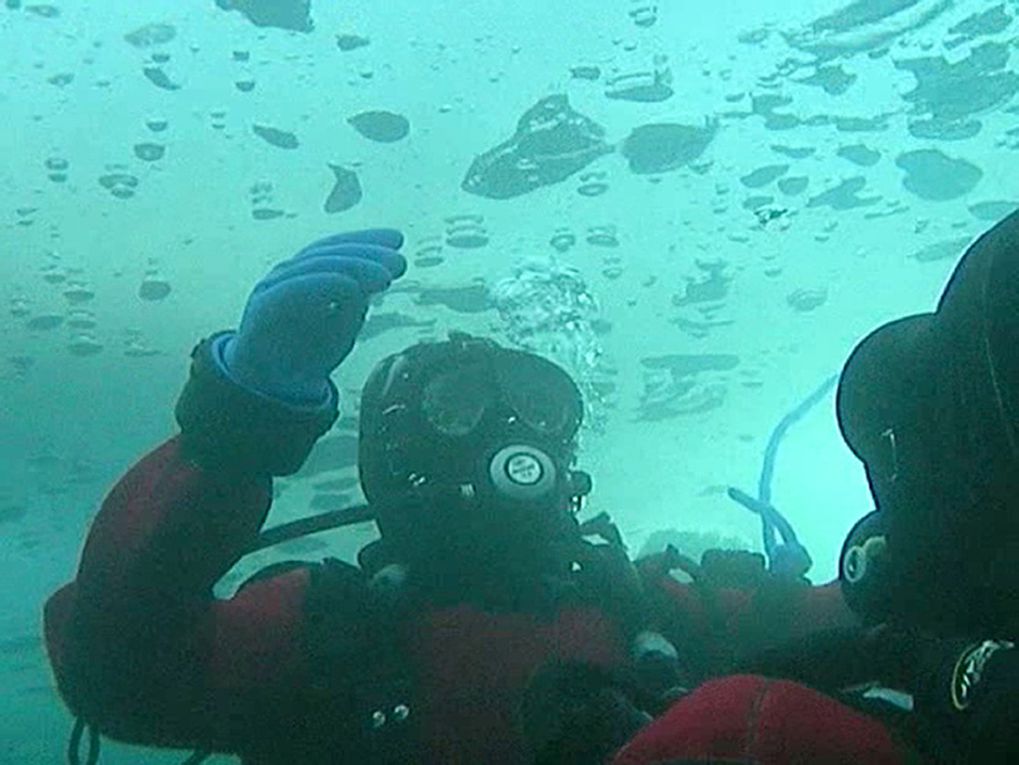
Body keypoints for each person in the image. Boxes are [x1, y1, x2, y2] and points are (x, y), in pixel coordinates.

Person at [44, 229, 885, 765]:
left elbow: (863, 611)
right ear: (397, 450)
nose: (511, 432)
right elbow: (119, 670)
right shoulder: (328, 631)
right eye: (459, 407)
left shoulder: (650, 608)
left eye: (538, 405)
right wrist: (234, 431)